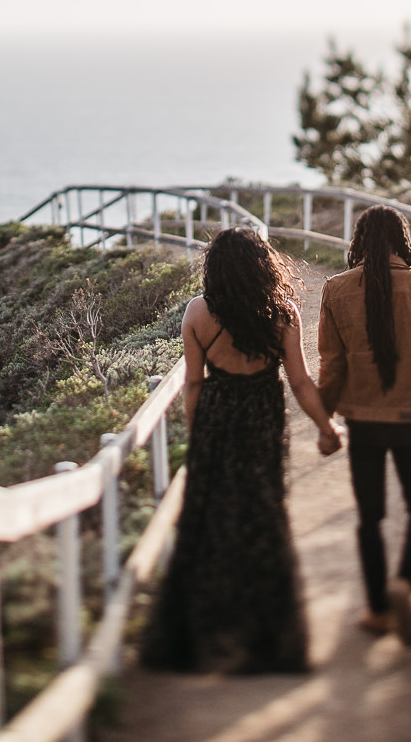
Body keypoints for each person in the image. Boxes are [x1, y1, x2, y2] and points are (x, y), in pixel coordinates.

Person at [142, 227, 342, 673]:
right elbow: (301, 382)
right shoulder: (282, 313)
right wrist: (326, 427)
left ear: (215, 268)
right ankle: (265, 641)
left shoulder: (198, 312)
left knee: (210, 521)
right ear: (261, 265)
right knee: (263, 516)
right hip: (261, 419)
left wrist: (198, 440)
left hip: (216, 417)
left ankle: (205, 632)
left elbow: (193, 384)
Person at [317, 204, 411, 647]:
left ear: (359, 241)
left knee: (370, 517)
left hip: (362, 421)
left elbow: (331, 365)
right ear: (403, 241)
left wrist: (325, 423)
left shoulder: (336, 289)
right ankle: (406, 582)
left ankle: (379, 610)